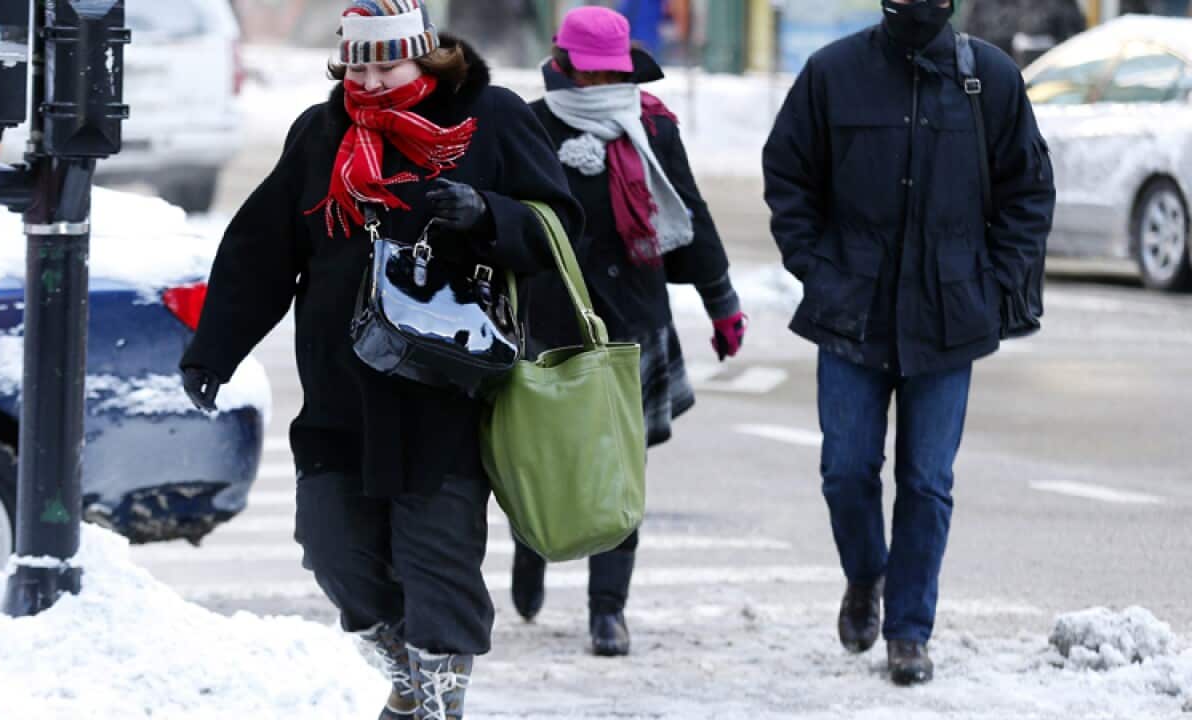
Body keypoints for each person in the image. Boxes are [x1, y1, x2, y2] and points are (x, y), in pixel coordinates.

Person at [178, 2, 582, 718]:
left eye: (385, 65)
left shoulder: (490, 118)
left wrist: (489, 214)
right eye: (355, 66)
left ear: (425, 56)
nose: (366, 81)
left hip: (446, 395)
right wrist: (214, 351)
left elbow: (559, 227)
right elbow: (261, 251)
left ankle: (438, 704)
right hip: (339, 394)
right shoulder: (321, 132)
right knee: (331, 546)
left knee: (438, 562)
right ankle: (407, 678)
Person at [763, 0, 1054, 686]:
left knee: (927, 481)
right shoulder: (832, 72)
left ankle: (909, 631)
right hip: (851, 310)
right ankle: (866, 574)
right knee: (846, 470)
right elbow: (788, 175)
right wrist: (816, 268)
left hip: (949, 317)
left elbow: (1028, 191)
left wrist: (993, 283)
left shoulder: (990, 78)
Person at [513, 6, 748, 658]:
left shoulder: (652, 126)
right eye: (589, 73)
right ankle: (530, 546)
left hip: (633, 323)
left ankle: (608, 609)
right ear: (563, 68)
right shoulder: (531, 125)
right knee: (542, 457)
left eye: (609, 74)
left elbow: (689, 212)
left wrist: (722, 303)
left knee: (620, 469)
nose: (599, 84)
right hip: (550, 323)